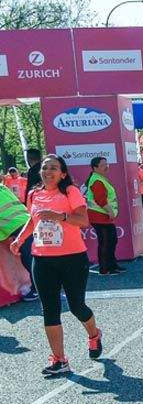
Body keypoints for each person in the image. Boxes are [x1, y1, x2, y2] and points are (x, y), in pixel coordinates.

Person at [8, 155, 103, 376]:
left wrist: (58, 215)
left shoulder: (70, 192)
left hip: (72, 258)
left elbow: (83, 220)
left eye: (53, 168)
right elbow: (33, 221)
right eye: (44, 167)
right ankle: (60, 360)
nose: (48, 171)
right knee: (50, 310)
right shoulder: (33, 194)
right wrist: (20, 240)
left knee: (77, 306)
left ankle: (94, 334)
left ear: (63, 173)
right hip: (42, 259)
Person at [84, 156, 123, 276]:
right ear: (95, 168)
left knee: (111, 241)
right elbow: (100, 199)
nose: (107, 166)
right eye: (103, 165)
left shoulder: (99, 178)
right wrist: (110, 211)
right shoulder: (97, 180)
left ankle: (112, 265)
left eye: (107, 164)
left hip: (102, 216)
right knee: (106, 242)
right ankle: (105, 268)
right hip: (99, 216)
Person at [0, 182, 33, 300]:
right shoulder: (2, 187)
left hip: (17, 226)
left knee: (29, 258)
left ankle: (36, 290)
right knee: (32, 256)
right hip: (27, 220)